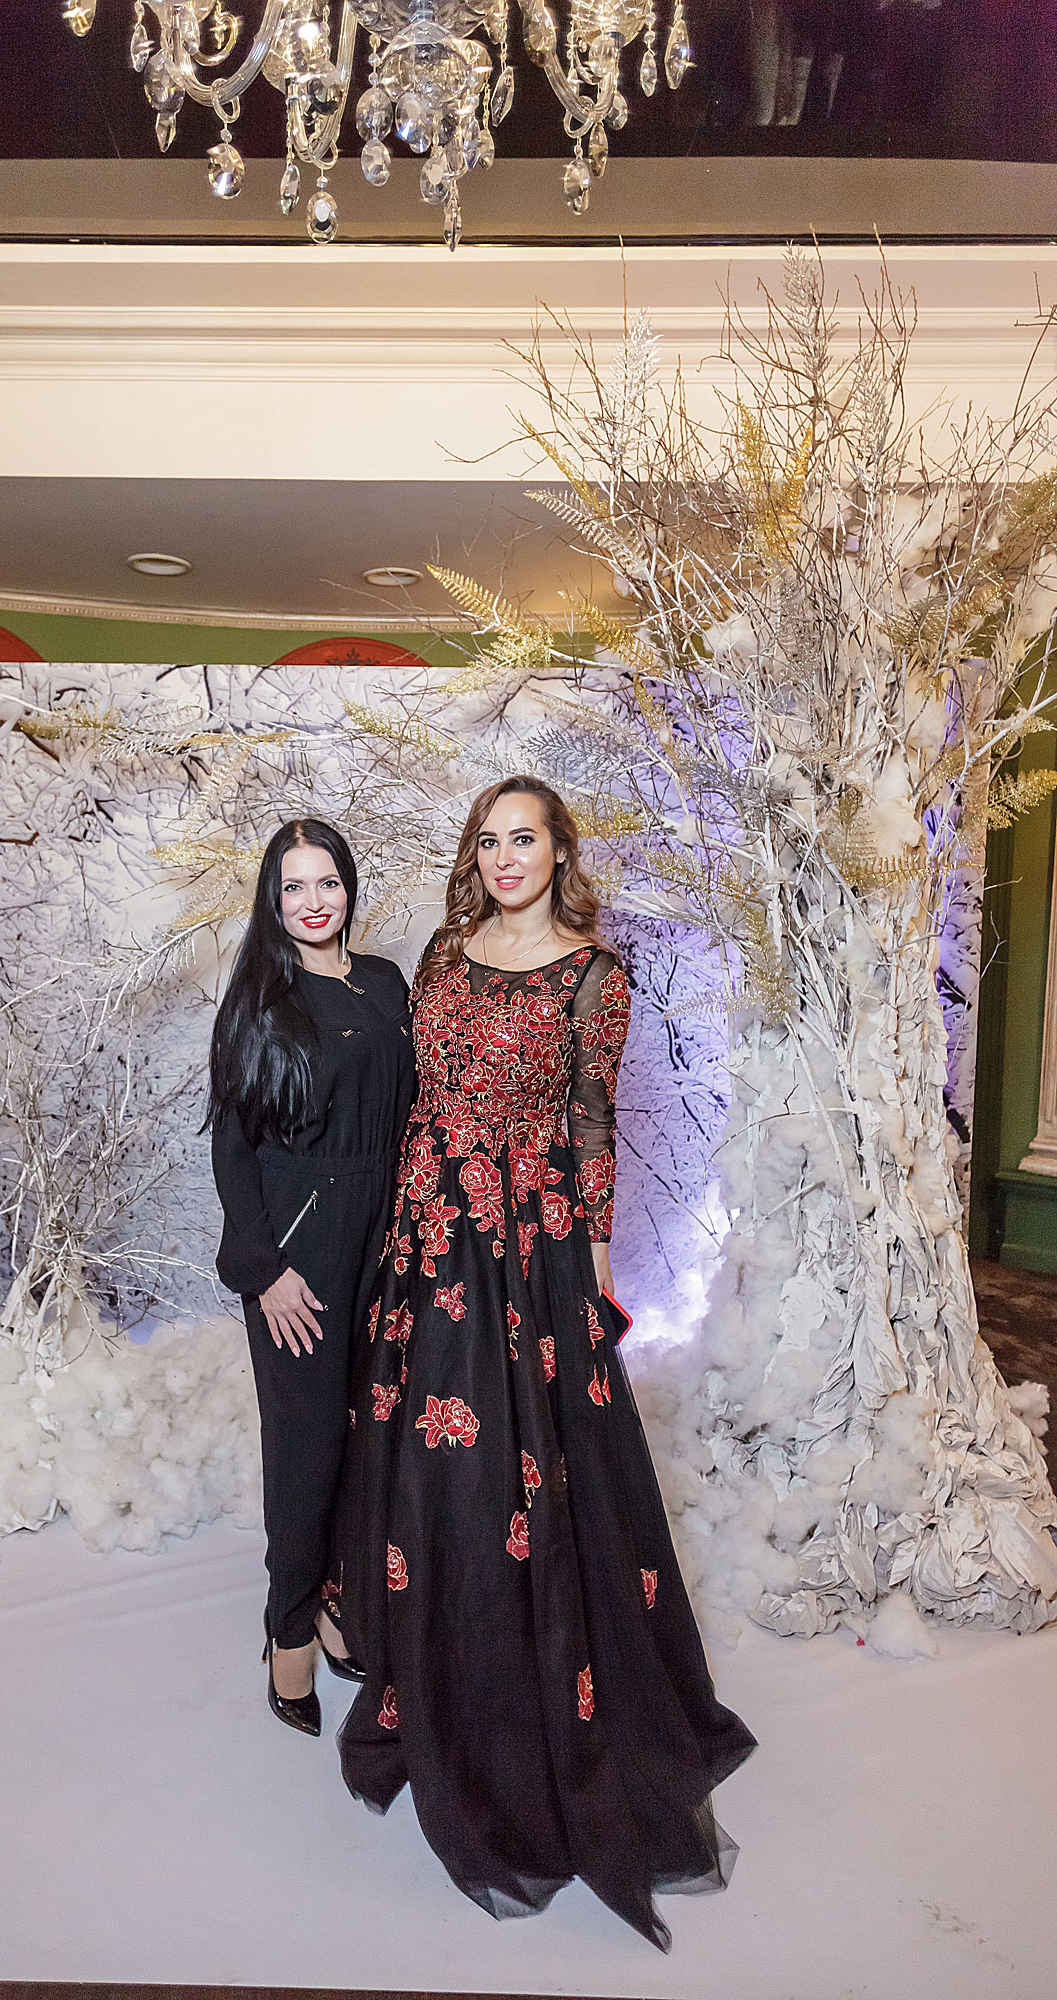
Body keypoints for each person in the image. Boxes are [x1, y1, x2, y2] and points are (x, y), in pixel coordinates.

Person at [336, 777, 755, 1948]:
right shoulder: (442, 950)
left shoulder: (593, 976)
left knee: (524, 1473)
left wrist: (594, 1279)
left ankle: (532, 1697)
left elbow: (590, 1127)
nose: (506, 856)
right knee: (429, 1468)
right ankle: (441, 1675)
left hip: (524, 1250)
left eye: (525, 838)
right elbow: (415, 1098)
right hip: (425, 1235)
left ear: (560, 850)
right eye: (489, 838)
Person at [208, 818, 415, 1738]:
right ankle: (287, 1631)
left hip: (389, 1236)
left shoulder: (385, 981)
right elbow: (233, 1147)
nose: (313, 901)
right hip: (304, 1250)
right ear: (272, 899)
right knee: (307, 1448)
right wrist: (265, 1272)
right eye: (293, 886)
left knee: (370, 1440)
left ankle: (337, 1603)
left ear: (348, 886)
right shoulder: (260, 1000)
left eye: (326, 881)